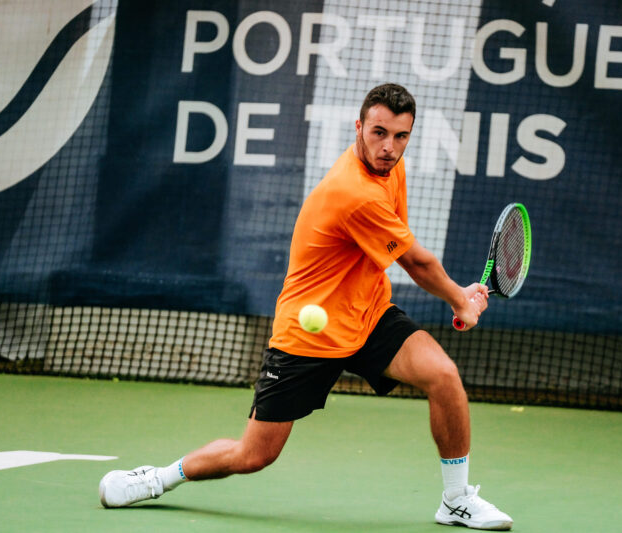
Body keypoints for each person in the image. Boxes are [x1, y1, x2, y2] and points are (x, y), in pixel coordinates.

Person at [98, 83, 513, 531]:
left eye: (400, 136)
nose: (389, 147)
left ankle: (456, 500)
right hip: (308, 334)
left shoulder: (391, 168)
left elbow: (395, 248)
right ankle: (159, 478)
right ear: (359, 127)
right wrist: (460, 299)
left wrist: (458, 295)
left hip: (366, 312)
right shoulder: (354, 192)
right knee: (254, 455)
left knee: (444, 376)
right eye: (378, 133)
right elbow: (416, 262)